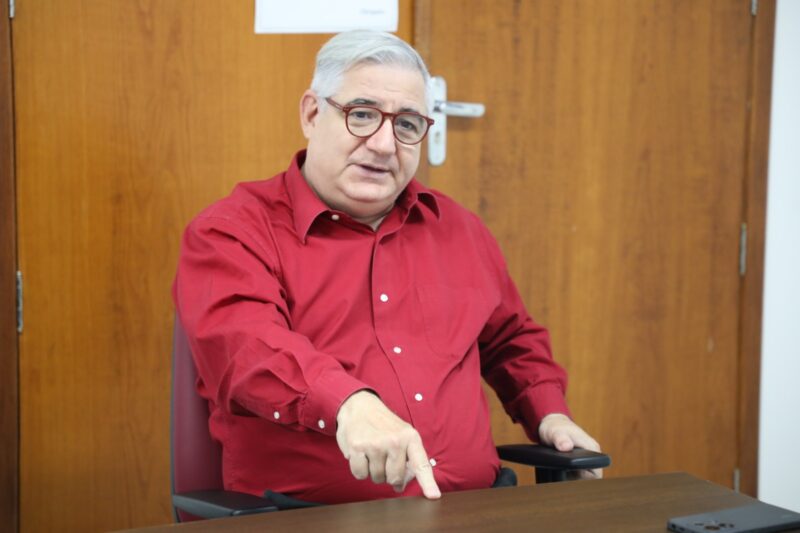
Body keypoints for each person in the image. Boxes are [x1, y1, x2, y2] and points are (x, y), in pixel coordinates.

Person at [173, 29, 601, 505]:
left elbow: (510, 339)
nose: (383, 144)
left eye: (407, 125)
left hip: (474, 512)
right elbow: (246, 346)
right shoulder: (232, 230)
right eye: (362, 115)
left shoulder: (458, 228)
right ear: (313, 114)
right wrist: (349, 405)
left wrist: (549, 415)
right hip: (313, 519)